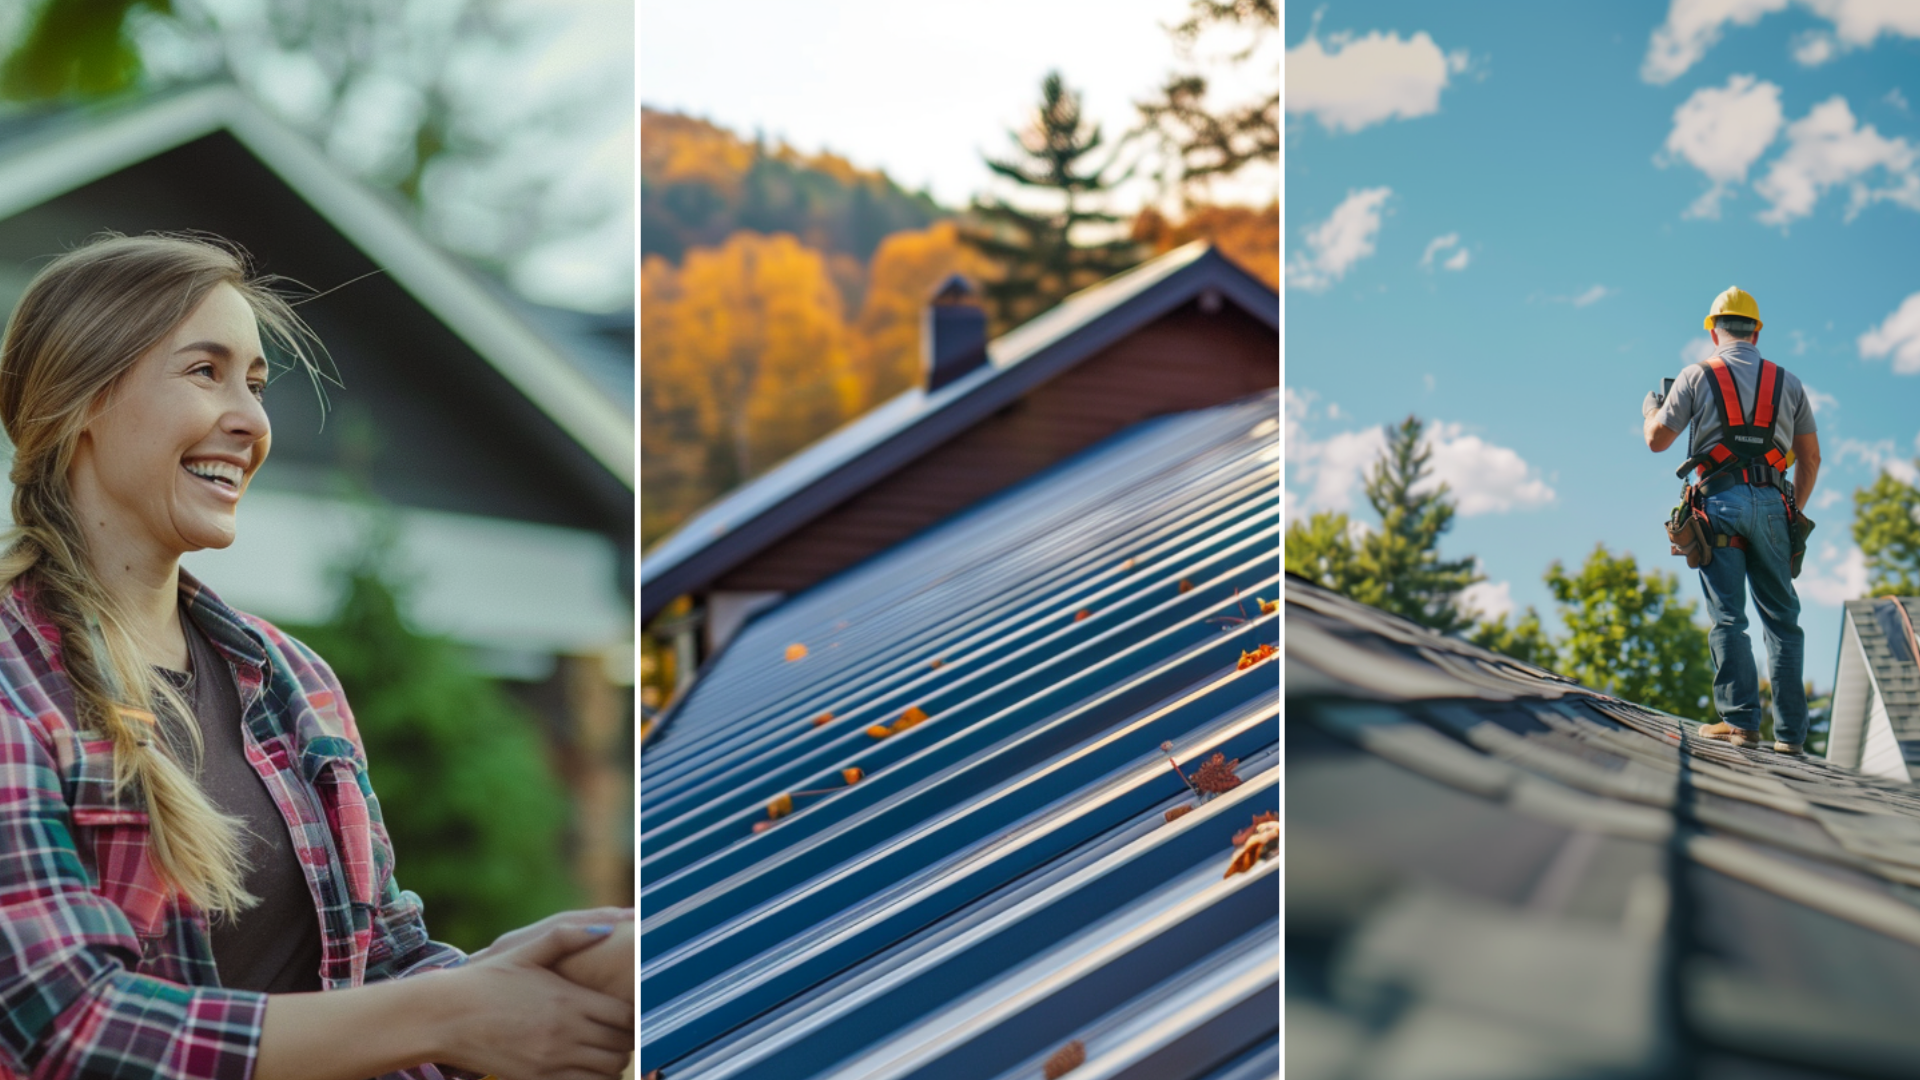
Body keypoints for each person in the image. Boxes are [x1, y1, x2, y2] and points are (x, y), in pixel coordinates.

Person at [0, 233, 632, 1080]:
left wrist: (547, 980)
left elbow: (383, 971)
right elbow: (65, 1030)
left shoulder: (291, 680)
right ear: (80, 401)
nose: (252, 421)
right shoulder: (14, 680)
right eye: (205, 372)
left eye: (256, 385)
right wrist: (450, 1013)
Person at [1643, 286, 1821, 755]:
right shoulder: (1791, 384)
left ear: (1713, 330)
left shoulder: (1694, 375)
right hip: (1772, 505)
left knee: (1729, 616)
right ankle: (1792, 738)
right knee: (1783, 622)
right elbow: (1811, 458)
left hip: (1719, 504)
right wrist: (1792, 512)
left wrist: (1650, 412)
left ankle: (1741, 723)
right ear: (1756, 332)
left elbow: (1657, 441)